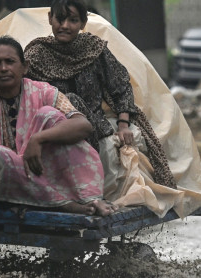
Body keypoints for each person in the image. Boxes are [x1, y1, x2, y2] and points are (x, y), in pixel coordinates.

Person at [24, 0, 176, 191]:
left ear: (83, 22)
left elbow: (120, 86)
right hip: (52, 130)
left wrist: (123, 124)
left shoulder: (94, 49)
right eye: (60, 19)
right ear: (50, 19)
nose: (65, 26)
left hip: (96, 127)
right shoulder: (36, 55)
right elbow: (21, 92)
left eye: (73, 20)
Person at [0, 35, 117, 228]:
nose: (4, 68)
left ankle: (88, 198)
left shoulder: (44, 92)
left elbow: (83, 125)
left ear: (25, 67)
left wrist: (38, 139)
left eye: (10, 62)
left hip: (43, 171)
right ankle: (66, 205)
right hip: (9, 176)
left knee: (49, 115)